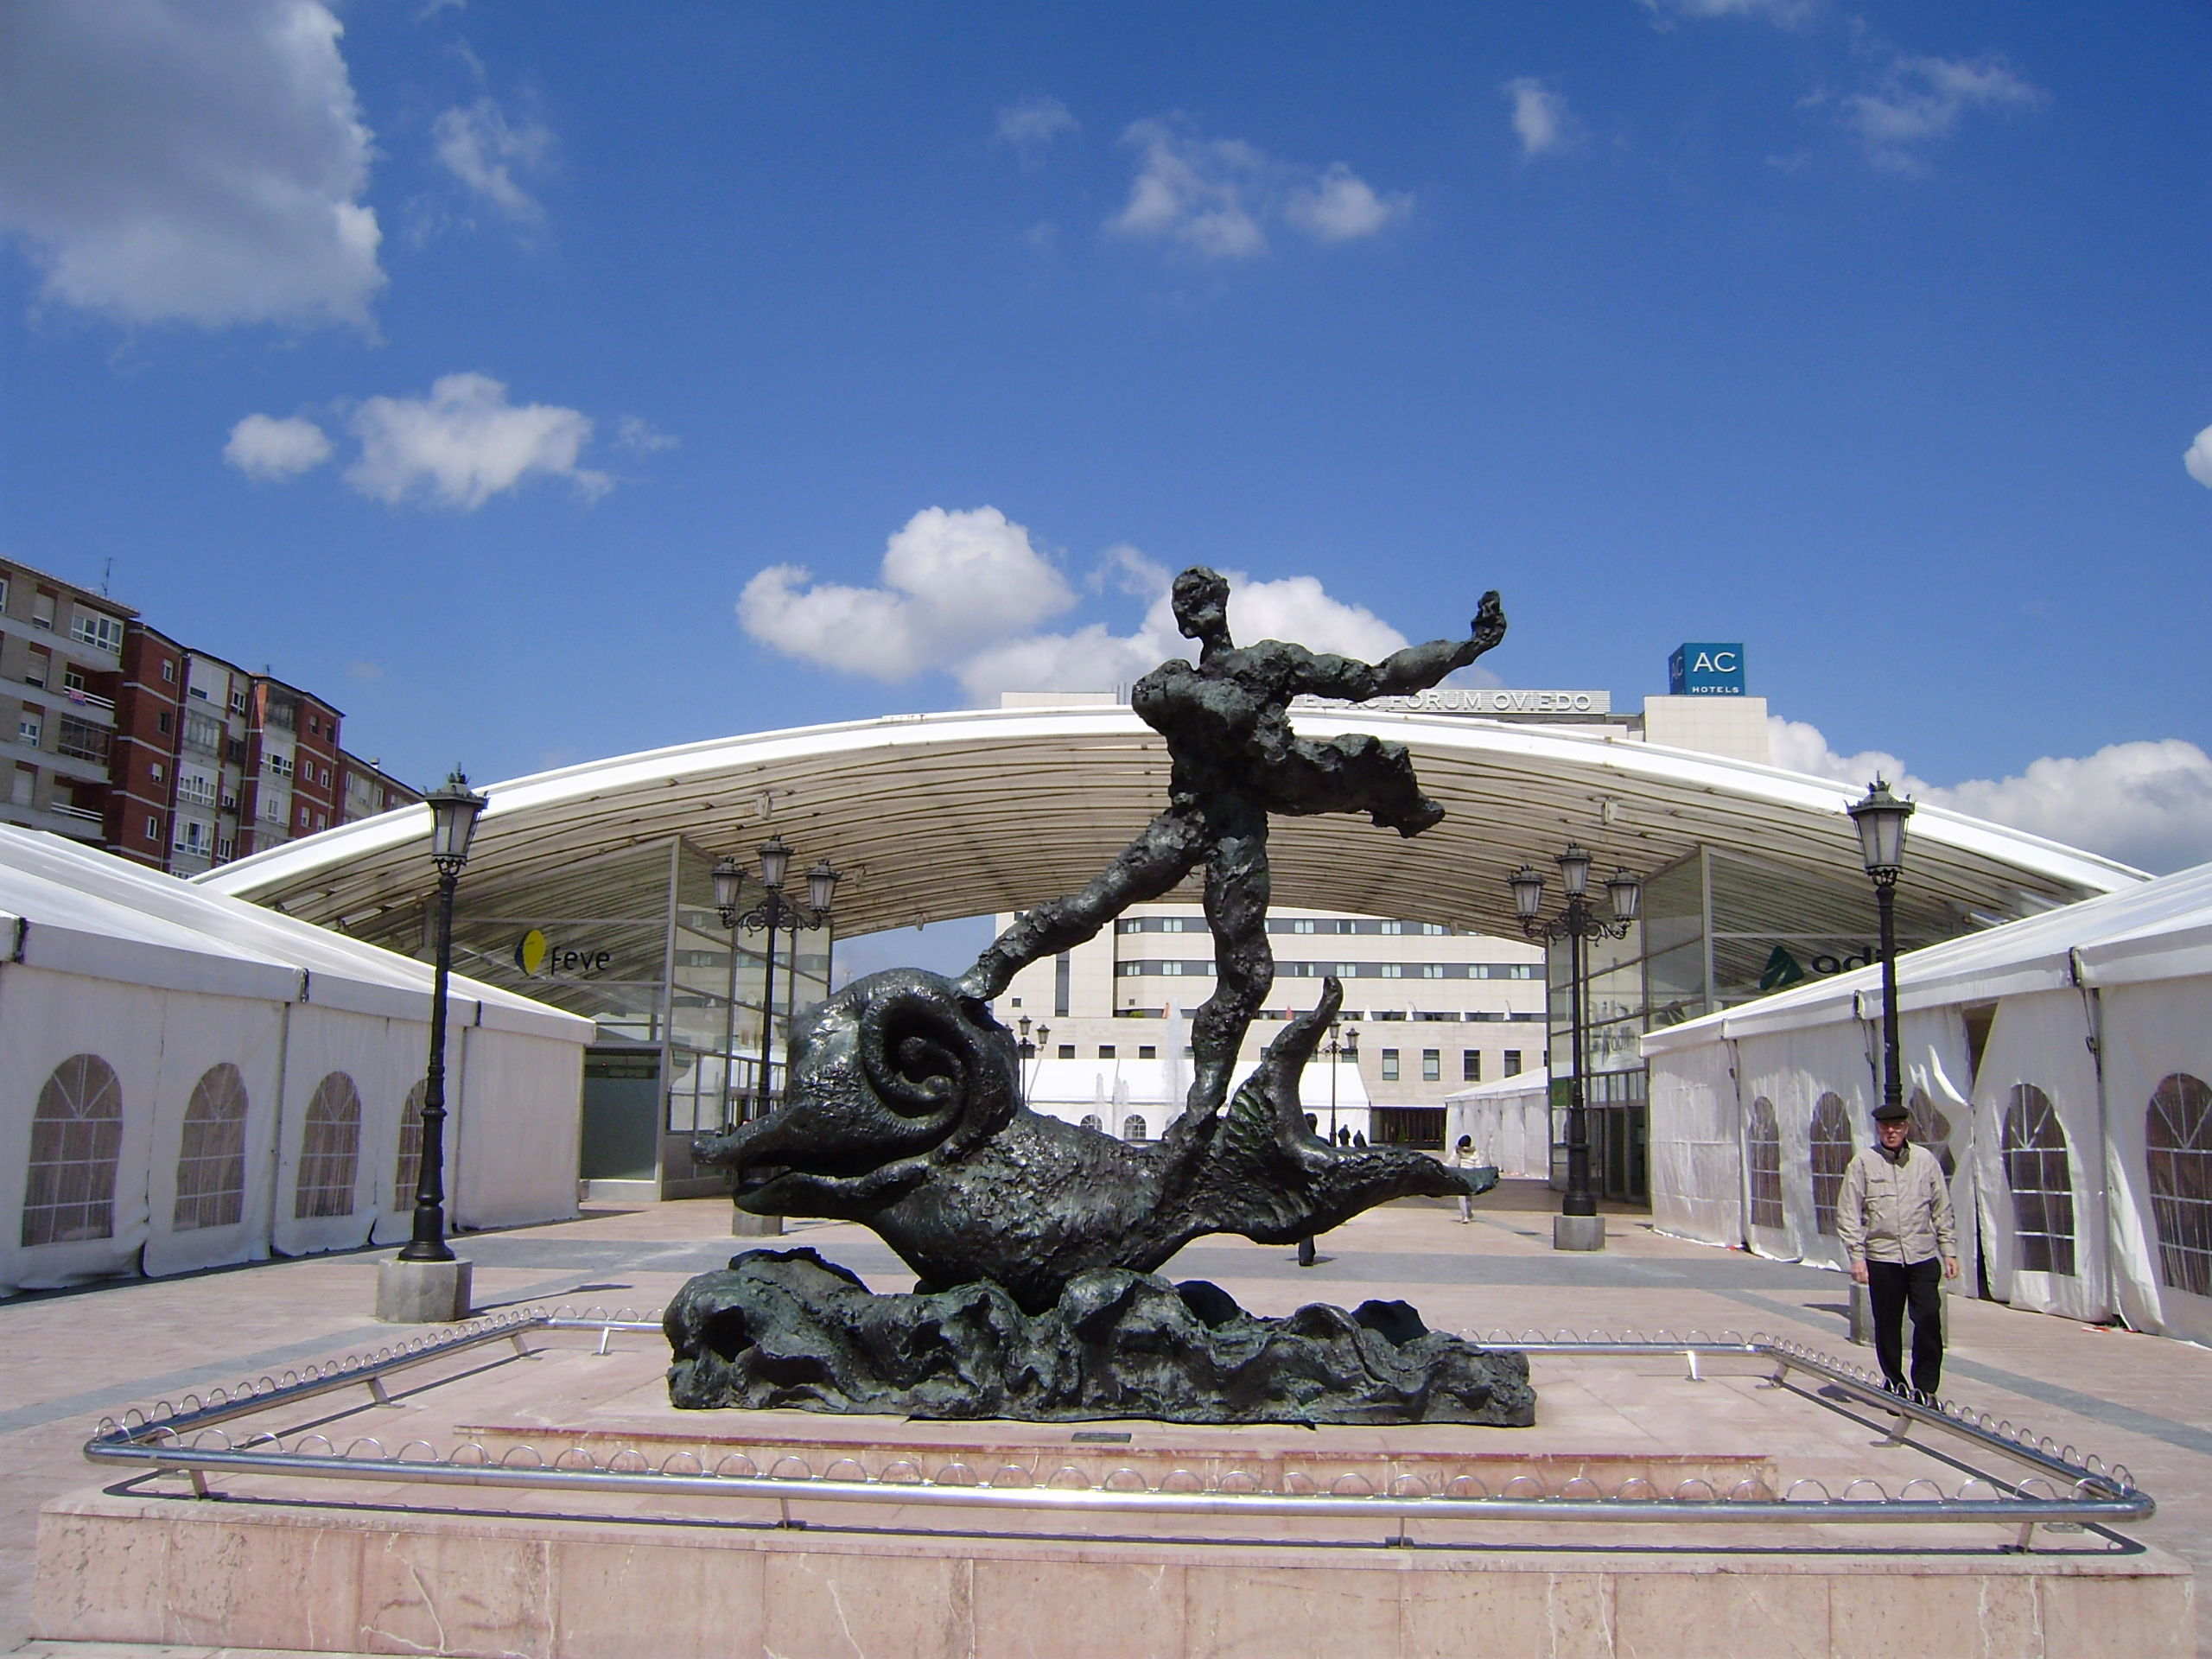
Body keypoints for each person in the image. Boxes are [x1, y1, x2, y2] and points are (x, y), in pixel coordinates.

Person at [963, 566, 1507, 1132]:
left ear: (1222, 602)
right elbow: (1159, 700)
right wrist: (1224, 707)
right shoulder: (1169, 681)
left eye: (1201, 598)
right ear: (1179, 619)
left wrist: (1465, 650)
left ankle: (1203, 1100)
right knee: (1091, 905)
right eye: (1183, 603)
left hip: (1239, 831)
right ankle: (988, 972)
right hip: (1189, 819)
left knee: (1247, 972)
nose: (1193, 609)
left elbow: (1377, 676)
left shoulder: (1270, 663)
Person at [1837, 1098, 1960, 1400]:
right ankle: (1895, 1382)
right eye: (1884, 1126)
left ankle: (1926, 1388)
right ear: (1878, 1129)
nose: (1890, 1132)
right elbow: (1848, 1211)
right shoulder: (1864, 1163)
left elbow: (1941, 1207)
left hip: (1921, 1255)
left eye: (1896, 1126)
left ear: (1906, 1128)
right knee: (1888, 1324)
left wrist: (1949, 1250)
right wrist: (1857, 1256)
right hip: (1883, 1257)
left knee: (1929, 1317)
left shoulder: (1925, 1161)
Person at [1450, 1135, 1481, 1223]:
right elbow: (1478, 1165)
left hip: (1462, 1175)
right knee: (1469, 1196)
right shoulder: (1474, 1152)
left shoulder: (1458, 1152)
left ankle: (1465, 1216)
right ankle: (1469, 1212)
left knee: (1461, 1197)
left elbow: (1452, 1163)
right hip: (1471, 1175)